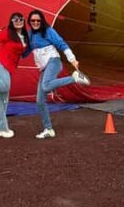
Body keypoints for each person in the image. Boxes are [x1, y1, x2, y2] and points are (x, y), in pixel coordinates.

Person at [26, 9, 90, 139]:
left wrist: (72, 59)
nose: (35, 22)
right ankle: (48, 129)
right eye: (33, 20)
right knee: (39, 101)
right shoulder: (30, 34)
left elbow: (61, 44)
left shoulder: (48, 31)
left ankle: (74, 78)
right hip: (44, 68)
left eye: (38, 20)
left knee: (46, 86)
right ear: (30, 21)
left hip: (54, 62)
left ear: (42, 21)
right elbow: (26, 51)